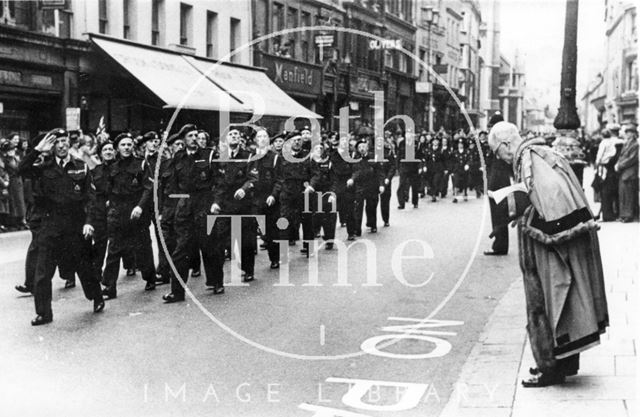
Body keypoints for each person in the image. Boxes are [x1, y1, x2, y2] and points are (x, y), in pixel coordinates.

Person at [488, 121, 608, 387]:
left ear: (507, 144)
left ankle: (550, 368)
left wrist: (526, 217)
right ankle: (562, 361)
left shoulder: (529, 159)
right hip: (553, 243)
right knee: (562, 302)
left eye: (497, 151)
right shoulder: (539, 153)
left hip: (548, 248)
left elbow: (552, 198)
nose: (500, 158)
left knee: (549, 301)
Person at [18, 129, 105, 325]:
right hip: (50, 224)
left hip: (75, 224)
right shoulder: (42, 167)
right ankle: (44, 313)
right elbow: (20, 170)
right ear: (52, 146)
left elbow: (90, 198)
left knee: (84, 267)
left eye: (65, 141)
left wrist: (89, 222)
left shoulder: (81, 167)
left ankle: (96, 297)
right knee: (43, 273)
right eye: (57, 142)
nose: (62, 145)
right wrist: (37, 150)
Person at [163, 124, 221, 303]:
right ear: (184, 140)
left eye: (197, 135)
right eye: (190, 136)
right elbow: (171, 185)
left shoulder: (209, 155)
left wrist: (216, 202)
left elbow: (219, 181)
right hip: (185, 207)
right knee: (181, 250)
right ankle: (177, 292)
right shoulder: (178, 158)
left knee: (209, 245)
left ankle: (216, 281)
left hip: (205, 204)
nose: (194, 138)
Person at [101, 132, 156, 299]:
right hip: (118, 213)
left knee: (143, 247)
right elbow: (108, 189)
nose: (126, 147)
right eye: (123, 145)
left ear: (133, 147)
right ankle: (109, 287)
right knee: (114, 249)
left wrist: (140, 206)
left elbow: (148, 188)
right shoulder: (113, 167)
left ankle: (150, 277)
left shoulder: (141, 164)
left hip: (137, 212)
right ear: (117, 148)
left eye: (129, 145)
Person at [211, 128, 258, 281]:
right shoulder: (220, 158)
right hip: (225, 204)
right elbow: (218, 183)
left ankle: (248, 269)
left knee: (246, 240)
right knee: (219, 239)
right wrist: (216, 202)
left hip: (243, 204)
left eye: (236, 134)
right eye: (230, 135)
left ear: (240, 139)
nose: (234, 137)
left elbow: (253, 178)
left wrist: (244, 189)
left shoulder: (248, 156)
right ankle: (217, 279)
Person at [251, 128, 282, 268]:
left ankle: (274, 258)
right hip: (255, 199)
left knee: (271, 230)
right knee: (257, 228)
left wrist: (273, 195)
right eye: (260, 136)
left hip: (270, 199)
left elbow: (280, 180)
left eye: (265, 136)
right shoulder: (251, 157)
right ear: (255, 140)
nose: (262, 139)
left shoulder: (275, 157)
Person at [485, 112, 512, 256]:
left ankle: (499, 246)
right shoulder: (499, 143)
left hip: (499, 184)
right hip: (498, 182)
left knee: (498, 214)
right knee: (499, 214)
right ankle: (500, 244)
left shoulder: (500, 145)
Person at [350, 139, 384, 236]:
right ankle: (357, 229)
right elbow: (353, 171)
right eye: (360, 147)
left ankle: (372, 224)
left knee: (371, 206)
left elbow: (380, 172)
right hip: (359, 186)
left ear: (367, 148)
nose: (362, 149)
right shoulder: (354, 158)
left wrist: (381, 184)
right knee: (358, 208)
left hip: (372, 186)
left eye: (363, 147)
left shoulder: (373, 157)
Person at [595, 125, 624, 221]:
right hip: (618, 169)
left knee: (605, 192)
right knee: (616, 192)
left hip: (606, 169)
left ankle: (607, 215)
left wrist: (596, 167)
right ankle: (617, 213)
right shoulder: (622, 142)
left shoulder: (605, 142)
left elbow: (599, 157)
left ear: (610, 131)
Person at [614, 123, 639, 222]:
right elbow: (622, 156)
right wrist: (617, 164)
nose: (627, 134)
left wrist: (619, 165)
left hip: (629, 172)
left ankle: (628, 215)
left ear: (634, 134)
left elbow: (632, 158)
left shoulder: (635, 144)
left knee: (628, 195)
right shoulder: (626, 143)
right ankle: (623, 214)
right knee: (623, 194)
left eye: (629, 133)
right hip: (624, 172)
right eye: (627, 133)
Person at [451, 138, 471, 203]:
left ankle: (465, 194)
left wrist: (467, 164)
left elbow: (469, 160)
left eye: (461, 144)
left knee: (465, 182)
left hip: (464, 169)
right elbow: (452, 161)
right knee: (456, 182)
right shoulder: (455, 152)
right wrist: (452, 170)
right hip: (457, 170)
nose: (460, 145)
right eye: (459, 144)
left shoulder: (466, 152)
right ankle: (455, 197)